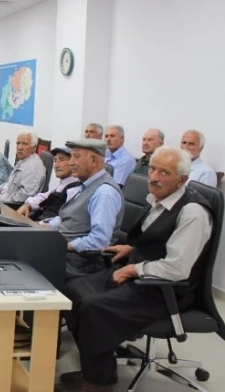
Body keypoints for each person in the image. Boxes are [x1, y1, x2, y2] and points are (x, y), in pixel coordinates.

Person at [59, 146, 213, 392]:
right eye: (153, 169)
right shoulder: (160, 198)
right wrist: (131, 249)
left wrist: (132, 270)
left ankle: (99, 382)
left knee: (93, 307)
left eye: (165, 172)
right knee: (73, 289)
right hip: (143, 270)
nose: (154, 177)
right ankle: (98, 368)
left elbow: (177, 268)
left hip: (165, 289)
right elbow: (161, 239)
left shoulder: (193, 213)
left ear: (182, 179)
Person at [43, 139, 123, 279]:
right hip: (68, 251)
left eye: (76, 156)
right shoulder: (85, 184)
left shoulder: (104, 193)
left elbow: (99, 240)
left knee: (27, 259)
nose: (71, 162)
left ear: (94, 160)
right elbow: (72, 217)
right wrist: (44, 226)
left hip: (82, 261)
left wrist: (63, 245)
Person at [17, 147, 78, 221]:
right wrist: (28, 205)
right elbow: (43, 197)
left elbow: (65, 219)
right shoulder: (61, 185)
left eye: (61, 160)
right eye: (55, 160)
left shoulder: (75, 188)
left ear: (73, 163)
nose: (56, 165)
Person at [0, 130, 46, 203]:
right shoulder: (23, 161)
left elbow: (24, 196)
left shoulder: (33, 167)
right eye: (18, 143)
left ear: (34, 148)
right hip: (5, 199)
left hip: (13, 207)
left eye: (24, 144)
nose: (19, 147)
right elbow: (9, 183)